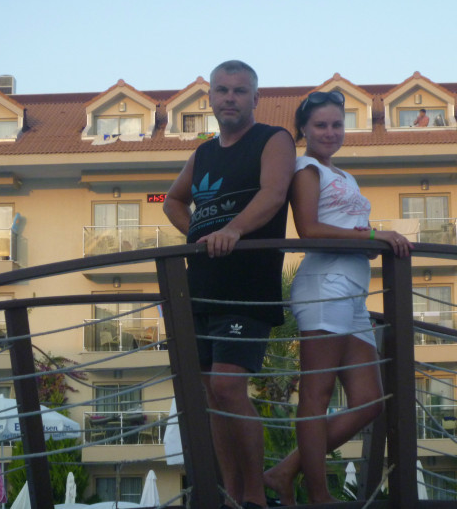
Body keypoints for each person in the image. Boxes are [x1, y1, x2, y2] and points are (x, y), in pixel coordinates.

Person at [263, 91, 412, 504]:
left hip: (352, 293)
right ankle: (319, 495)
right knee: (317, 395)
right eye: (321, 125)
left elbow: (349, 230)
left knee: (369, 401)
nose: (330, 132)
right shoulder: (306, 169)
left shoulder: (343, 175)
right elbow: (309, 229)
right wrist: (374, 234)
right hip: (323, 287)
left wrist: (372, 242)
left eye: (336, 125)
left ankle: (284, 471)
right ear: (304, 129)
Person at [163, 60, 296, 509]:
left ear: (256, 98)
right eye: (222, 90)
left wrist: (233, 230)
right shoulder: (203, 153)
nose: (230, 98)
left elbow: (273, 193)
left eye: (240, 90)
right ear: (211, 99)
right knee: (210, 394)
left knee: (227, 387)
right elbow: (172, 200)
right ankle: (232, 496)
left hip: (247, 285)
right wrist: (198, 233)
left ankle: (255, 495)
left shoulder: (273, 139)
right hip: (200, 285)